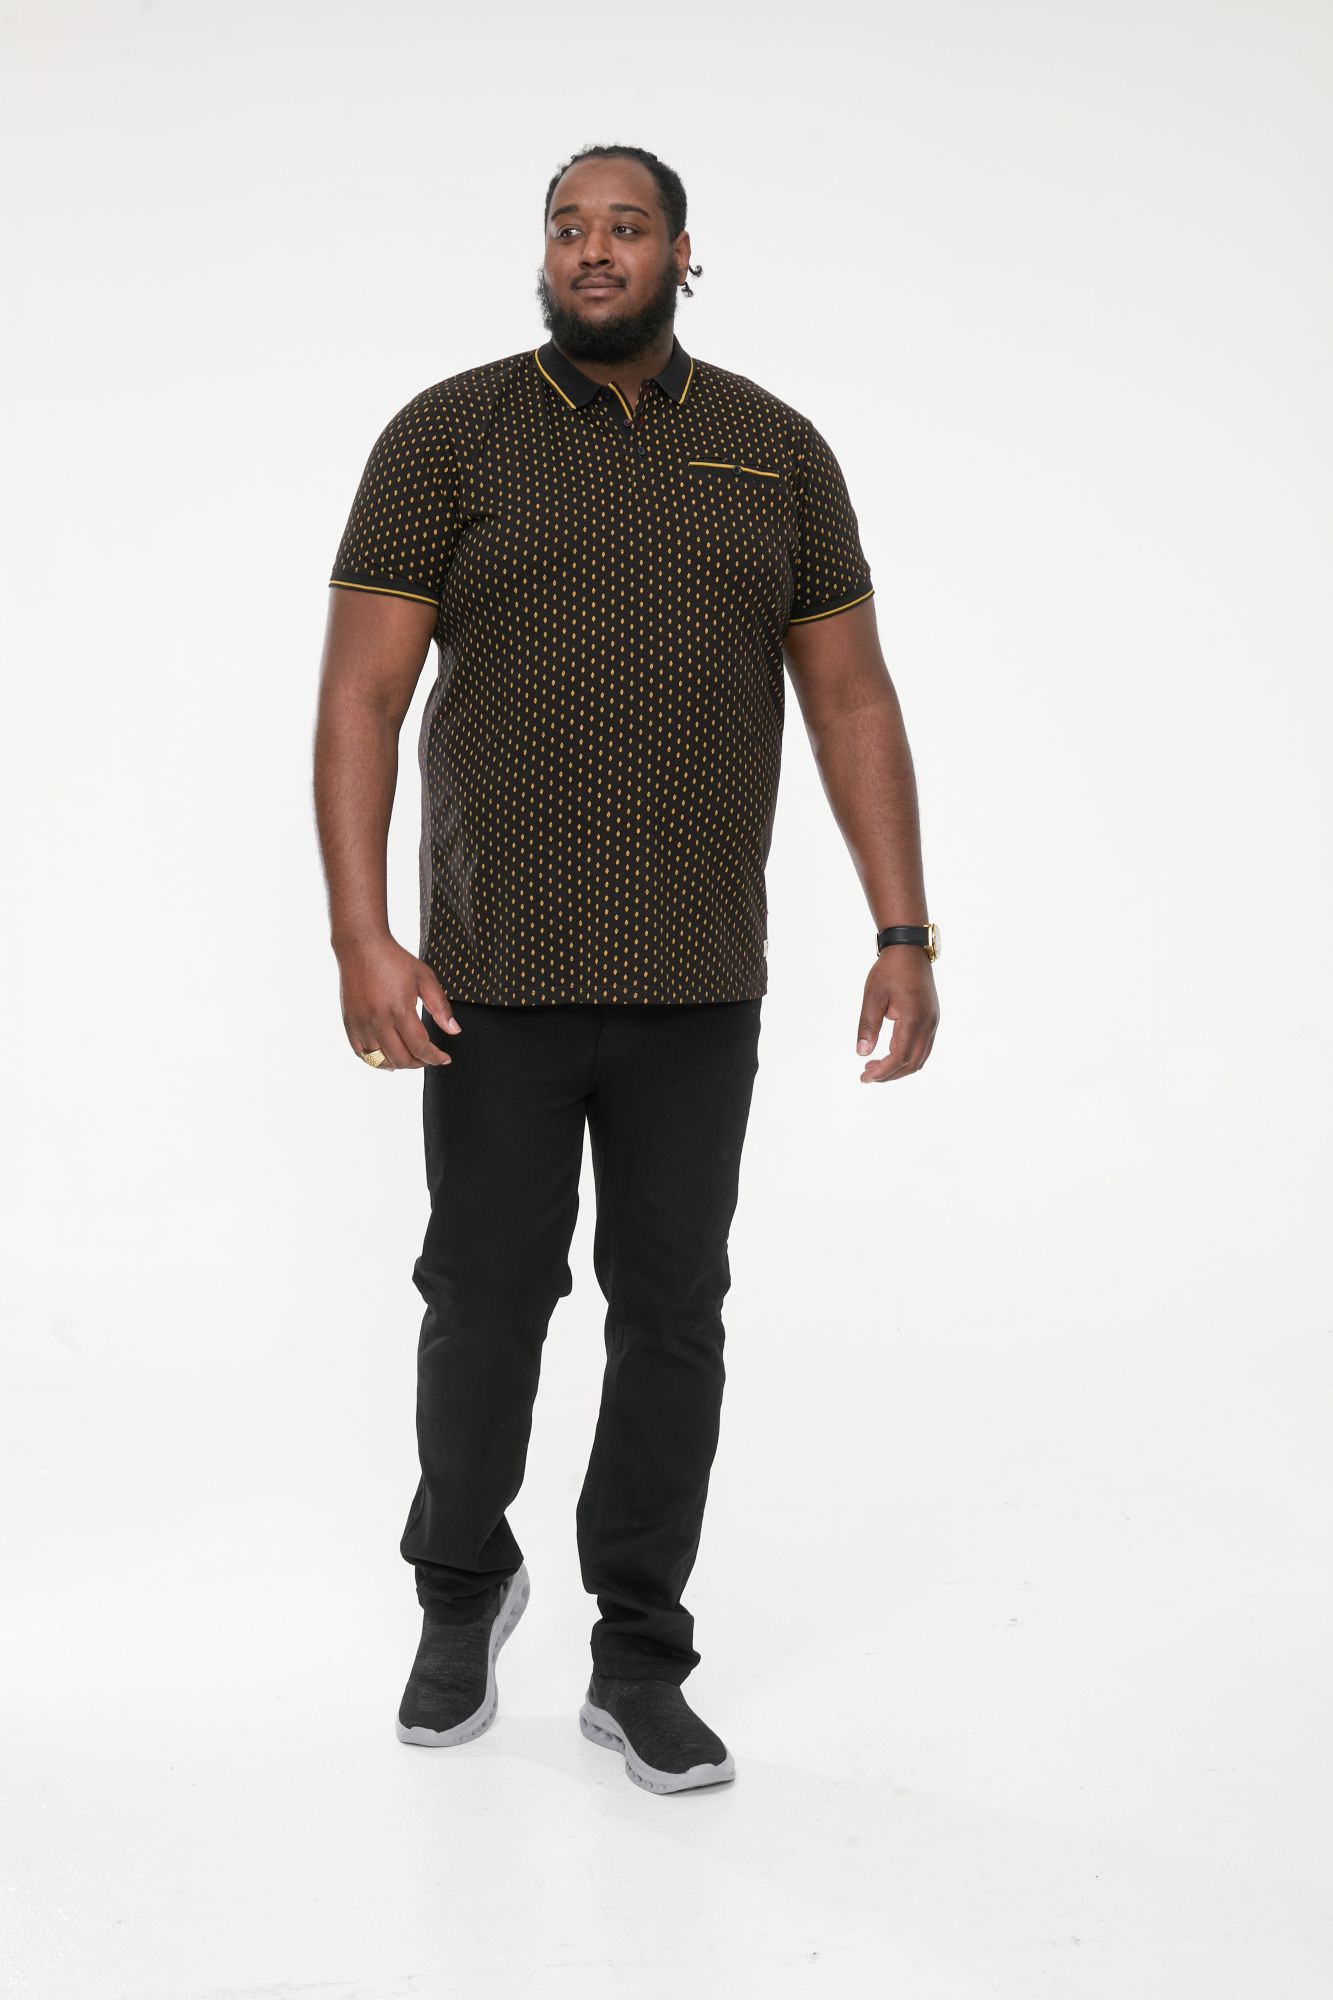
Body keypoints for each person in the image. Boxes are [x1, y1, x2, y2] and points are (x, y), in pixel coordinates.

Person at [311, 142, 940, 1796]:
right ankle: (461, 1586)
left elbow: (850, 697)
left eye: (626, 226)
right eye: (567, 227)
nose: (593, 250)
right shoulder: (448, 436)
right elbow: (361, 692)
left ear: (679, 251)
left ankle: (639, 1653)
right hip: (491, 974)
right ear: (543, 255)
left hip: (693, 976)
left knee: (672, 1317)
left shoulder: (773, 451)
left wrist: (903, 930)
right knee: (483, 1304)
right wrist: (362, 934)